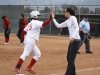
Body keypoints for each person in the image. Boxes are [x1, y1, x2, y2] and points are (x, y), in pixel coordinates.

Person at [52, 8, 80, 75]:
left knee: (70, 58)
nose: (64, 13)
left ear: (68, 12)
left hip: (75, 40)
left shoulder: (73, 17)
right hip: (72, 40)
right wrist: (53, 18)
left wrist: (73, 37)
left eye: (65, 12)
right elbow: (59, 26)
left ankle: (68, 73)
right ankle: (73, 73)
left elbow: (77, 28)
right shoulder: (68, 21)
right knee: (69, 58)